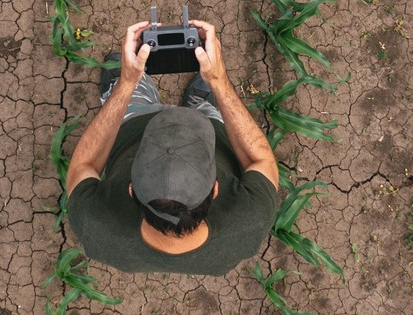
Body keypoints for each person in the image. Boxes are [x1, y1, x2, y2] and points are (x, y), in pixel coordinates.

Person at [63, 18, 280, 274]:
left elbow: (83, 165)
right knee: (213, 109)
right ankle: (203, 103)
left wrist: (126, 83)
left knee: (132, 101)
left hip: (136, 123)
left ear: (132, 191)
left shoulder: (95, 225)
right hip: (211, 126)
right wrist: (219, 81)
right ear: (215, 189)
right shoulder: (249, 221)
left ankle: (136, 92)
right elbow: (262, 160)